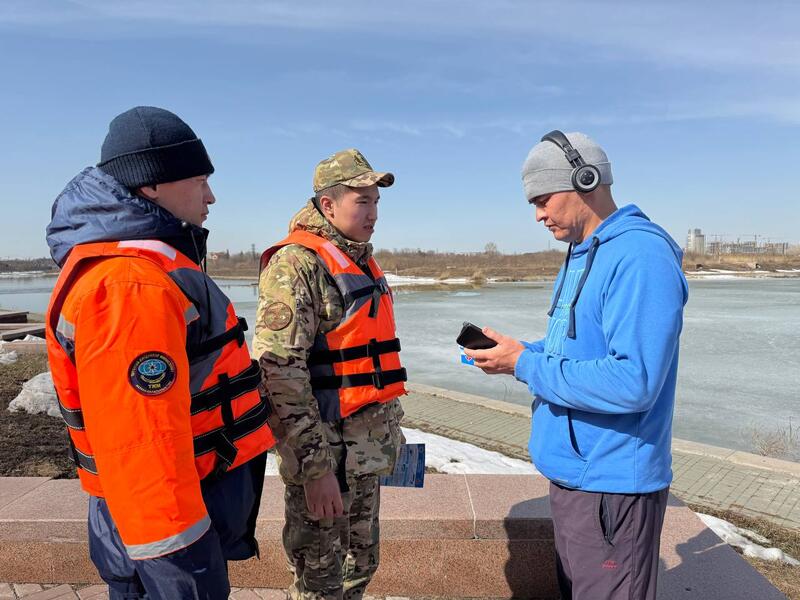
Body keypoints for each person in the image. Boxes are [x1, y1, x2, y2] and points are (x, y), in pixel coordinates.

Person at [44, 106, 276, 599]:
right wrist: (190, 578)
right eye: (198, 180)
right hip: (166, 550)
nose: (211, 195)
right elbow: (141, 453)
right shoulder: (130, 287)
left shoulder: (143, 272)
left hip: (165, 537)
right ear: (150, 186)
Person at [465, 131, 688, 600]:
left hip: (612, 484)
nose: (538, 214)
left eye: (543, 199)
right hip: (577, 477)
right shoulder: (586, 251)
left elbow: (634, 381)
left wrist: (525, 366)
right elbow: (576, 352)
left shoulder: (639, 255)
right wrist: (515, 353)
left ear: (585, 180)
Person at [253, 148, 406, 600]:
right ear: (327, 205)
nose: (373, 213)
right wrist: (315, 468)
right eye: (363, 201)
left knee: (361, 565)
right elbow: (280, 372)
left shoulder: (359, 260)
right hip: (326, 459)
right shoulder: (297, 265)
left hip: (365, 455)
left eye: (376, 201)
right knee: (319, 581)